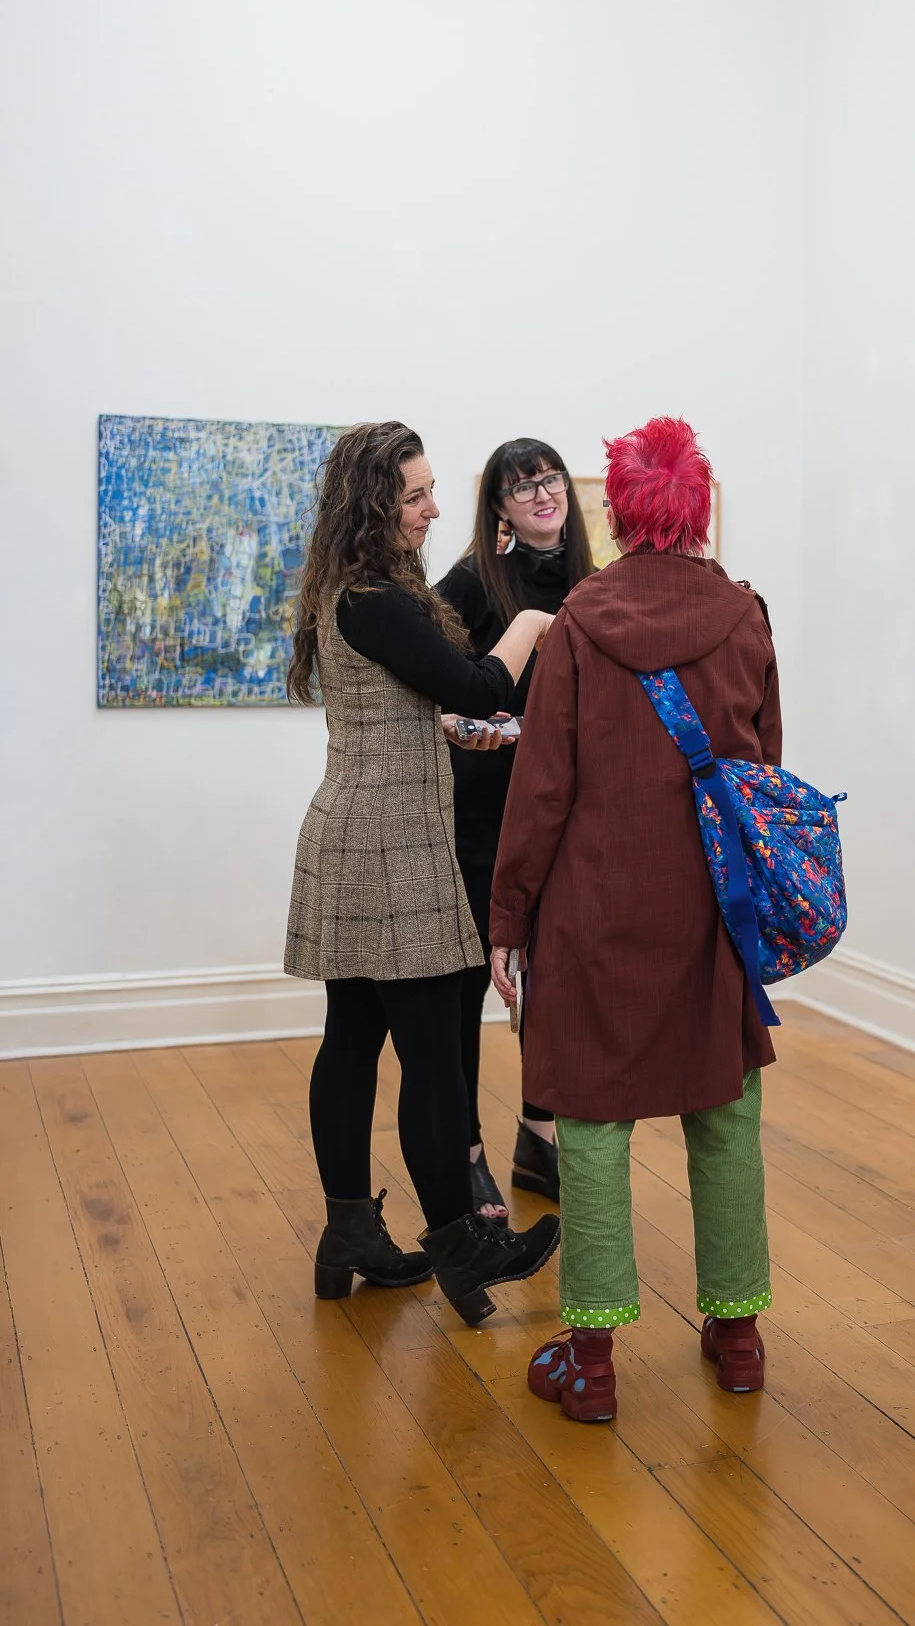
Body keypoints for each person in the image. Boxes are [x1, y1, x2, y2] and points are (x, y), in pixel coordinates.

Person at [490, 417, 778, 1423]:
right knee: (725, 1114)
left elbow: (542, 789)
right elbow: (762, 774)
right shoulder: (745, 616)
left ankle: (594, 1361)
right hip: (712, 911)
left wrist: (508, 916)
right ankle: (737, 1337)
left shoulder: (578, 621)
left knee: (591, 1123)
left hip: (596, 912)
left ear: (615, 513)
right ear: (697, 509)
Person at [284, 420, 560, 1326]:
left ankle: (350, 1236)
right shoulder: (377, 598)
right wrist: (530, 623)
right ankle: (462, 1242)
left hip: (357, 832)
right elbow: (479, 685)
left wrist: (439, 730)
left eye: (431, 489)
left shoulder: (354, 590)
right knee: (434, 1053)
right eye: (414, 495)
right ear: (373, 504)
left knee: (354, 1037)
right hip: (392, 846)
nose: (433, 508)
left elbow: (403, 704)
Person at [437, 440, 595, 1219]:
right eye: (520, 486)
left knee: (555, 983)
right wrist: (499, 730)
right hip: (481, 816)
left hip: (565, 817)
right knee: (468, 984)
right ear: (497, 507)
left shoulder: (594, 584)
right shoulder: (471, 582)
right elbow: (433, 697)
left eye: (548, 478)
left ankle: (539, 1138)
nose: (541, 494)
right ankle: (464, 1153)